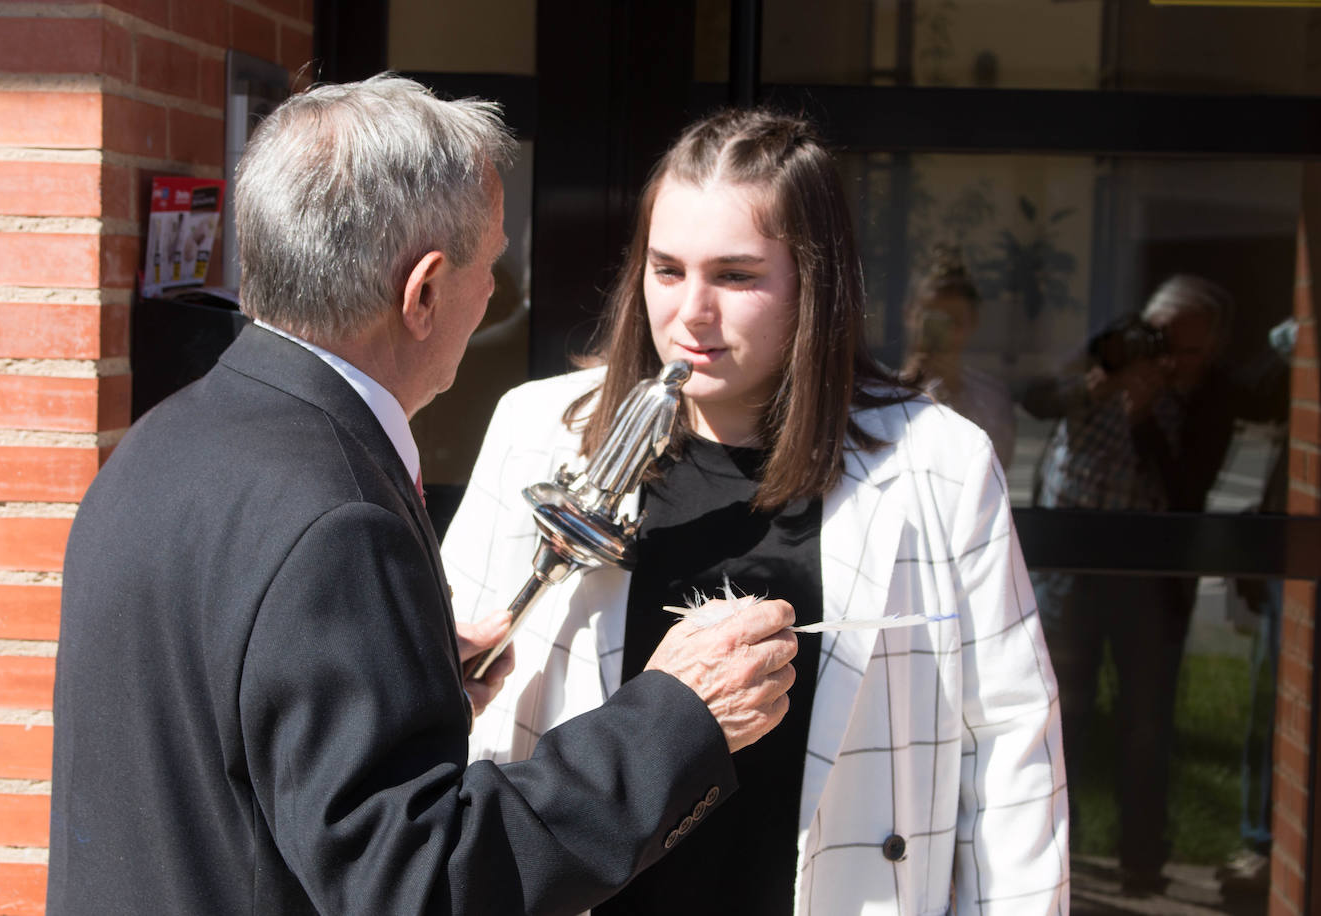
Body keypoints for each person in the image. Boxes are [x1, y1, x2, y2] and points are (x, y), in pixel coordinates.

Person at [46, 75, 801, 916]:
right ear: (426, 292)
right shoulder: (338, 518)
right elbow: (419, 882)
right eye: (490, 264)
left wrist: (410, 683)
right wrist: (675, 719)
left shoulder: (159, 443)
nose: (493, 293)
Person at [443, 108, 1069, 915]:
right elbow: (450, 691)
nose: (691, 313)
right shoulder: (537, 431)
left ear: (815, 280)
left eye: (735, 276)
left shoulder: (935, 464)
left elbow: (1011, 745)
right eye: (666, 270)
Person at [1021, 274, 1287, 895]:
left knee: (1145, 725)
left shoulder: (1202, 399)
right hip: (1070, 567)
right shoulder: (1106, 357)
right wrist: (1093, 382)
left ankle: (1143, 864)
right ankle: (1057, 860)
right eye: (1157, 337)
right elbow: (1036, 398)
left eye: (1181, 348)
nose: (1164, 356)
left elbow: (1186, 489)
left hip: (1146, 581)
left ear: (1207, 353)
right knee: (1061, 716)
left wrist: (1143, 416)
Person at [900, 244, 1017, 469]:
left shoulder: (992, 397)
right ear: (909, 315)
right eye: (932, 318)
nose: (945, 330)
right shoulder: (878, 392)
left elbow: (999, 463)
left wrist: (955, 392)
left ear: (973, 322)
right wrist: (907, 388)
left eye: (954, 320)